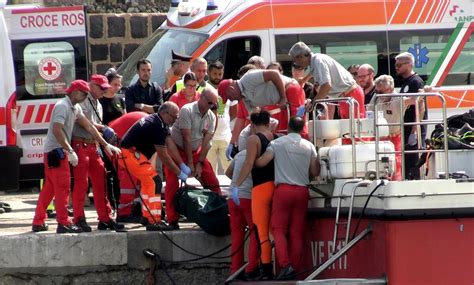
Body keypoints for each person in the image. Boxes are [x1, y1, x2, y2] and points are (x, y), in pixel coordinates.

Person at [32, 80, 121, 234]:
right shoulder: (62, 106)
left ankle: (38, 221)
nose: (85, 96)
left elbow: (89, 126)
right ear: (74, 92)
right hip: (56, 151)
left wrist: (105, 144)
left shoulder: (75, 107)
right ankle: (63, 222)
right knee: (63, 188)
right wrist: (70, 150)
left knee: (50, 188)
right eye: (83, 93)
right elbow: (57, 130)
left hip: (57, 151)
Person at [254, 117, 320, 280]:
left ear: (288, 127)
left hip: (283, 191)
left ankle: (285, 265)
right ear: (302, 128)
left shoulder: (278, 144)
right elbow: (315, 171)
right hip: (302, 191)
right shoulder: (309, 146)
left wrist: (249, 159)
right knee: (297, 232)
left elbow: (262, 162)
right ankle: (295, 269)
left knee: (279, 230)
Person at [119, 102, 191, 231]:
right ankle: (154, 220)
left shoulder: (160, 122)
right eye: (173, 117)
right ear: (164, 113)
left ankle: (147, 217)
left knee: (148, 183)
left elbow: (169, 143)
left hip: (132, 154)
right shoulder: (156, 125)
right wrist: (179, 173)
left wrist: (180, 164)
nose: (175, 120)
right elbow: (163, 155)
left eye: (177, 118)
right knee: (154, 181)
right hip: (130, 154)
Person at [71, 74, 124, 232]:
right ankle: (79, 218)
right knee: (82, 184)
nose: (104, 91)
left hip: (93, 146)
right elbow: (88, 125)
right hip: (80, 144)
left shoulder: (98, 103)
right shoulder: (83, 102)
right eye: (101, 88)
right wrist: (104, 133)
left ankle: (105, 218)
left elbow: (94, 127)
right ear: (91, 86)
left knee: (101, 181)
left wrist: (103, 143)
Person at [165, 87, 221, 230]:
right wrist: (189, 163)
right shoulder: (186, 110)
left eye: (213, 105)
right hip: (177, 150)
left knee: (212, 181)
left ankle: (218, 212)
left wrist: (200, 163)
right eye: (209, 103)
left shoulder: (211, 117)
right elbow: (186, 138)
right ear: (201, 97)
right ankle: (172, 219)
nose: (211, 107)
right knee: (172, 183)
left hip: (197, 151)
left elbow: (207, 142)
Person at [231, 109, 276, 280]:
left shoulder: (253, 139)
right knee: (275, 230)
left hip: (260, 189)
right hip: (275, 186)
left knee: (261, 232)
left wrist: (237, 184)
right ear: (268, 122)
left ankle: (265, 270)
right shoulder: (275, 137)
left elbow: (249, 163)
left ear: (251, 124)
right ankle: (280, 265)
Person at [367, 75, 424, 181]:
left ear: (391, 89)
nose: (379, 95)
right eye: (377, 91)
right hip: (377, 138)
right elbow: (368, 114)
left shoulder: (399, 99)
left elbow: (415, 99)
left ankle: (396, 184)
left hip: (394, 138)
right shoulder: (376, 97)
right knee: (375, 165)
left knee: (395, 166)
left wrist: (423, 91)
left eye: (382, 92)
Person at [289, 41, 365, 119]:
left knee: (356, 128)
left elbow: (326, 86)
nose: (296, 63)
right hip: (346, 96)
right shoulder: (316, 60)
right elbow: (313, 71)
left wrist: (313, 103)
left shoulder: (319, 61)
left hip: (351, 94)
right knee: (348, 128)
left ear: (301, 56)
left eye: (295, 60)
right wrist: (304, 80)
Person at [108, 111, 149, 222]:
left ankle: (134, 208)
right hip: (116, 139)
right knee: (128, 178)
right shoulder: (152, 127)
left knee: (137, 176)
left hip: (119, 136)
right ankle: (124, 213)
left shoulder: (152, 123)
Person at [395, 52, 427, 180]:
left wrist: (415, 130)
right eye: (396, 65)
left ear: (409, 65)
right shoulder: (406, 82)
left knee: (414, 159)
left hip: (413, 128)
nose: (396, 68)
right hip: (406, 127)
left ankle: (416, 184)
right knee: (407, 160)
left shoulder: (416, 82)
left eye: (399, 65)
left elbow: (421, 106)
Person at [207, 61, 238, 174]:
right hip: (209, 137)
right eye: (215, 73)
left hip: (225, 137)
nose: (217, 77)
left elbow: (235, 112)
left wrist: (224, 123)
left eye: (220, 74)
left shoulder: (229, 88)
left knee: (230, 170)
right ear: (209, 73)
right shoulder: (204, 89)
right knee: (210, 172)